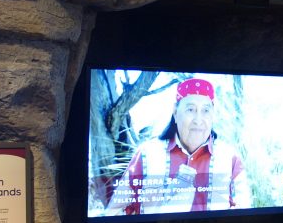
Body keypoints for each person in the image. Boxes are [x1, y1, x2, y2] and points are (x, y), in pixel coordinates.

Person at [104, 77, 251, 215]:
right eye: (190, 109)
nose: (198, 120)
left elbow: (243, 217)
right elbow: (114, 213)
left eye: (206, 110)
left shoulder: (229, 158)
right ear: (175, 111)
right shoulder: (147, 155)